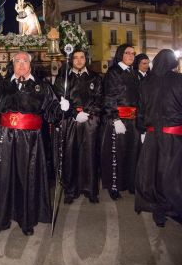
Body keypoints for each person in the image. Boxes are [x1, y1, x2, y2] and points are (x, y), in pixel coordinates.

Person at [0, 51, 69, 236]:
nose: (21, 64)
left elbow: (51, 113)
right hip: (5, 138)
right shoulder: (2, 86)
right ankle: (2, 219)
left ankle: (26, 219)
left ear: (30, 64)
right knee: (4, 178)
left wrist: (61, 108)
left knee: (27, 177)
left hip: (31, 141)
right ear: (12, 64)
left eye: (24, 61)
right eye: (17, 61)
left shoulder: (41, 87)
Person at [135, 49, 182, 226]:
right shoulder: (179, 80)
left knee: (154, 174)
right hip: (175, 138)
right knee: (174, 175)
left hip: (153, 136)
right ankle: (174, 208)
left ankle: (159, 212)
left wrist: (142, 129)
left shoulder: (146, 83)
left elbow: (141, 110)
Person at [54, 48, 103, 204]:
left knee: (90, 154)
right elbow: (59, 99)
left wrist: (88, 113)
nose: (79, 60)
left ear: (86, 59)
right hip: (71, 121)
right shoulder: (64, 78)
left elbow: (100, 99)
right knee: (70, 155)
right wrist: (74, 113)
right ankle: (70, 190)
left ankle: (91, 190)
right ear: (71, 60)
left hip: (90, 120)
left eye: (82, 57)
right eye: (76, 58)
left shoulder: (95, 78)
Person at [100, 44, 140, 200]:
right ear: (120, 55)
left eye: (133, 53)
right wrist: (115, 118)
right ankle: (114, 186)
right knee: (116, 154)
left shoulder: (134, 73)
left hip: (133, 120)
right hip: (118, 119)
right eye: (127, 53)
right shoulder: (114, 72)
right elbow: (109, 96)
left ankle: (130, 183)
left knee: (132, 152)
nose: (131, 56)